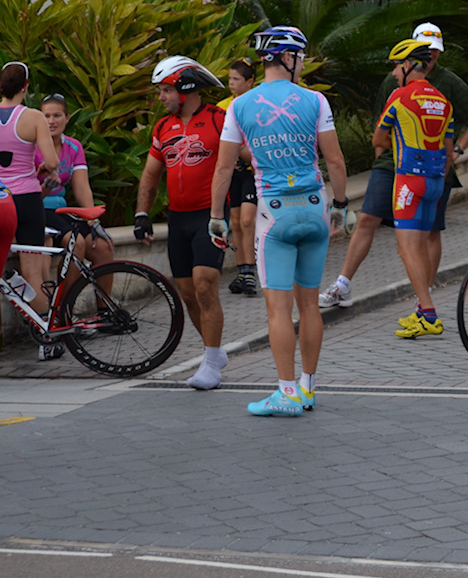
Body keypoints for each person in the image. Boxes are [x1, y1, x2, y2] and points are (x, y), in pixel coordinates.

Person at [210, 25, 351, 417]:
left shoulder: (239, 106)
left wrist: (217, 217)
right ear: (287, 57)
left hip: (273, 214)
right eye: (301, 57)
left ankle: (286, 392)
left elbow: (223, 168)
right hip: (315, 207)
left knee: (278, 310)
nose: (303, 64)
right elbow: (335, 161)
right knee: (309, 305)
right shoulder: (316, 101)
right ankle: (307, 387)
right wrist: (341, 204)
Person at [321, 22, 468, 315]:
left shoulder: (446, 82)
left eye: (434, 50)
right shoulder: (398, 83)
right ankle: (343, 285)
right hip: (395, 167)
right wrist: (390, 154)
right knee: (367, 221)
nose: (432, 56)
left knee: (428, 235)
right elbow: (380, 130)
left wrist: (453, 154)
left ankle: (423, 301)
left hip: (427, 172)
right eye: (427, 50)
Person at [134, 56, 231, 390]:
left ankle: (210, 364)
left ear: (185, 88)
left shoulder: (220, 119)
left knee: (205, 286)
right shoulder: (163, 127)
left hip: (210, 215)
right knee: (188, 294)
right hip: (178, 219)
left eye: (165, 90)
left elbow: (245, 157)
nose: (161, 97)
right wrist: (141, 214)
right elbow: (150, 174)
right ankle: (214, 352)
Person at [372, 39, 455, 339]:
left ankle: (429, 313)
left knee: (406, 249)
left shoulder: (400, 95)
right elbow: (449, 149)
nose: (395, 73)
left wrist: (399, 144)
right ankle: (422, 310)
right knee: (419, 246)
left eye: (396, 66)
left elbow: (378, 140)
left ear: (408, 65)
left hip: (408, 179)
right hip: (435, 181)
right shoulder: (443, 100)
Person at [0, 63, 58, 345]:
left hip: (0, 200)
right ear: (25, 87)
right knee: (33, 270)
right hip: (26, 199)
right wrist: (47, 171)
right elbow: (52, 162)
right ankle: (44, 335)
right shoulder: (34, 117)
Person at [36, 94, 113, 268]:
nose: (51, 121)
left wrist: (93, 220)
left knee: (103, 247)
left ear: (67, 118)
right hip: (38, 210)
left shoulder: (74, 146)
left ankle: (102, 297)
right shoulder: (31, 146)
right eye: (46, 116)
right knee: (76, 243)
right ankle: (67, 296)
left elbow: (82, 188)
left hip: (61, 211)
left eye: (57, 116)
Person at [219, 59, 260, 296]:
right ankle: (242, 272)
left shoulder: (257, 104)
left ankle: (251, 272)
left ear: (250, 82)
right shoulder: (223, 106)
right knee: (235, 222)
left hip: (252, 172)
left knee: (247, 220)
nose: (231, 84)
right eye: (229, 79)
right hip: (232, 172)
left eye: (236, 80)